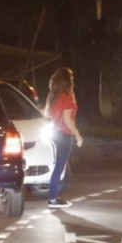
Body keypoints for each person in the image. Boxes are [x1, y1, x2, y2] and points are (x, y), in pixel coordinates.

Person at [44, 67, 83, 208]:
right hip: (64, 135)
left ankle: (54, 197)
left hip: (55, 133)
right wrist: (77, 134)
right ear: (67, 81)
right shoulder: (67, 96)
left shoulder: (53, 96)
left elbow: (46, 114)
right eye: (71, 79)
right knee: (59, 166)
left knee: (58, 166)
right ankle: (53, 199)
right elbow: (67, 119)